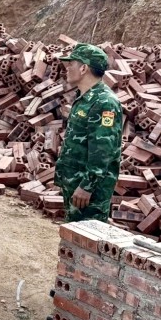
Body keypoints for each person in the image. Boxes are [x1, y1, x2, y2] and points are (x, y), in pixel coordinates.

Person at [56, 43, 123, 222]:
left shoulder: (104, 102)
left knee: (88, 240)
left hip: (89, 192)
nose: (67, 68)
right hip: (75, 183)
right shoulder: (85, 98)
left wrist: (87, 186)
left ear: (84, 68)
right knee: (74, 239)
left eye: (71, 64)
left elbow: (103, 150)